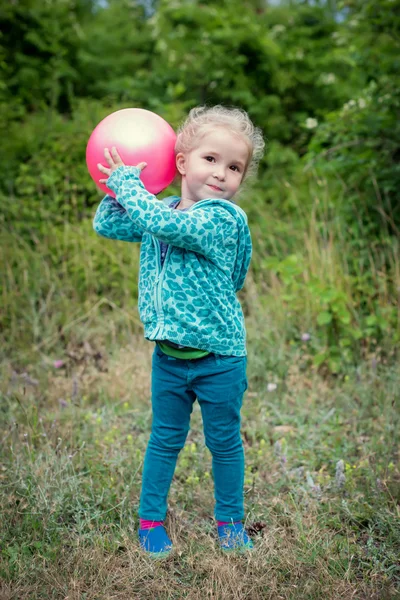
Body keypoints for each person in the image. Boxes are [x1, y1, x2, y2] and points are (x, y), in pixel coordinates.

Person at [93, 105, 265, 557]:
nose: (222, 174)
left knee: (223, 441)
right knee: (164, 438)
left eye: (234, 167)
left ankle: (230, 523)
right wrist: (123, 184)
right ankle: (150, 521)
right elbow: (108, 222)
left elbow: (167, 225)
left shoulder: (222, 219)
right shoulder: (161, 207)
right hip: (169, 358)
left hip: (219, 358)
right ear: (182, 162)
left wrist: (132, 188)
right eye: (211, 159)